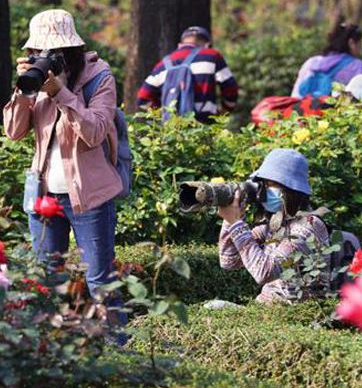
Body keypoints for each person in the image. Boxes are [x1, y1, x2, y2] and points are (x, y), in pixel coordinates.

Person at [2, 9, 126, 330]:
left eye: (51, 53)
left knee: (100, 279)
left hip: (90, 196)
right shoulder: (35, 79)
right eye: (37, 52)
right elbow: (14, 132)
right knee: (45, 279)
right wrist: (23, 90)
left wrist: (61, 93)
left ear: (71, 51)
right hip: (44, 196)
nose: (43, 58)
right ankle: (57, 350)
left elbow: (95, 131)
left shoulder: (99, 76)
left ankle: (120, 350)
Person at [218, 149, 332, 304]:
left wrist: (236, 223)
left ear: (292, 189)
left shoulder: (307, 226)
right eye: (262, 184)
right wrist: (230, 220)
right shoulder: (274, 224)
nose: (263, 190)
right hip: (266, 311)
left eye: (270, 184)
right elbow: (229, 261)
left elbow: (265, 272)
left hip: (296, 316)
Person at [136, 26, 239, 123]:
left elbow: (143, 97)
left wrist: (163, 114)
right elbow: (230, 88)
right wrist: (223, 113)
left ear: (180, 44)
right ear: (207, 44)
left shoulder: (163, 64)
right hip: (204, 124)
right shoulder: (212, 55)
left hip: (172, 130)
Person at [291, 22, 362, 98]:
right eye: (360, 43)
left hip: (304, 111)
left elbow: (295, 95)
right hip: (335, 112)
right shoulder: (358, 67)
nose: (361, 48)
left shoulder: (311, 63)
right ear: (351, 43)